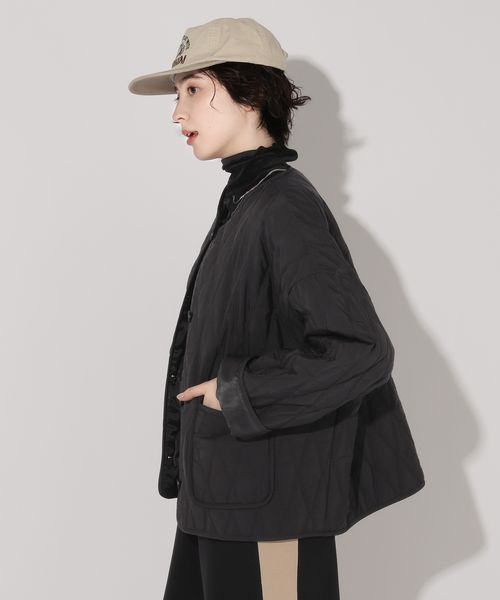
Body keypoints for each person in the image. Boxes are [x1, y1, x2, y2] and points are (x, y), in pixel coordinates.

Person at [128, 17, 425, 600]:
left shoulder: (283, 205)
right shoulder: (248, 202)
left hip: (265, 514)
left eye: (194, 89)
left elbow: (361, 350)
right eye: (178, 94)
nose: (177, 112)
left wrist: (238, 391)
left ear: (250, 93)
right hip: (220, 503)